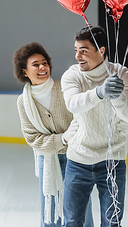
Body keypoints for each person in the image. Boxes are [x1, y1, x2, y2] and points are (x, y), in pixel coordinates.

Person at [60, 26, 128, 227]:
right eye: (76, 50)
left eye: (84, 50)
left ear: (101, 50)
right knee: (72, 222)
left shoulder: (123, 75)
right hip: (78, 161)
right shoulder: (72, 75)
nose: (78, 56)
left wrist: (117, 97)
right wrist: (100, 92)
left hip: (112, 161)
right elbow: (73, 103)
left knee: (112, 223)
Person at [13, 42, 94, 227]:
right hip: (48, 160)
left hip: (76, 157)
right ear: (24, 71)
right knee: (50, 211)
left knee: (81, 210)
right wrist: (63, 138)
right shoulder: (23, 102)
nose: (42, 67)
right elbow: (33, 138)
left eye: (44, 63)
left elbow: (83, 115)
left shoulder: (65, 89)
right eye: (35, 64)